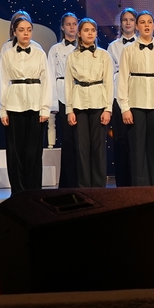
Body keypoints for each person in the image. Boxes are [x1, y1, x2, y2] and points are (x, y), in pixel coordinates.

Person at [118, 11, 154, 187]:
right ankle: (140, 189)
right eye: (142, 22)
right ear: (137, 26)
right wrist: (125, 108)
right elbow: (122, 80)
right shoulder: (128, 50)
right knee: (137, 149)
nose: (146, 25)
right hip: (136, 104)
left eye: (149, 22)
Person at [0, 14, 52, 193]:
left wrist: (45, 108)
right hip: (14, 105)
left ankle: (33, 192)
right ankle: (18, 192)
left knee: (33, 152)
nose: (26, 33)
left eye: (29, 30)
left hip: (35, 105)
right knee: (15, 152)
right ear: (14, 32)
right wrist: (3, 110)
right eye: (21, 30)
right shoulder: (7, 54)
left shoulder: (39, 53)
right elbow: (2, 82)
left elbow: (46, 81)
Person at [65, 18, 113, 188]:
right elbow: (68, 84)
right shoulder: (72, 56)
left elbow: (109, 83)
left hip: (99, 103)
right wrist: (69, 110)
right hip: (79, 103)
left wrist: (108, 109)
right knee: (82, 148)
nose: (90, 33)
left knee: (98, 148)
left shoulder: (104, 55)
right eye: (86, 30)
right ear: (79, 33)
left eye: (93, 30)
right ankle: (84, 187)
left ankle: (99, 187)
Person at [48, 12, 79, 187]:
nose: (72, 27)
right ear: (62, 27)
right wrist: (53, 103)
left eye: (74, 24)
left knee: (79, 141)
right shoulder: (55, 50)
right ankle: (67, 182)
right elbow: (51, 76)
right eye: (68, 24)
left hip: (80, 96)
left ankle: (81, 179)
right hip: (62, 96)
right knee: (66, 140)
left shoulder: (83, 48)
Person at [107, 8, 138, 187]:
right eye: (125, 20)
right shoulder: (113, 46)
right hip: (118, 96)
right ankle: (123, 182)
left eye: (131, 19)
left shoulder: (141, 44)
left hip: (137, 94)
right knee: (120, 139)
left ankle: (137, 179)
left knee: (135, 139)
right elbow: (109, 74)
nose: (128, 23)